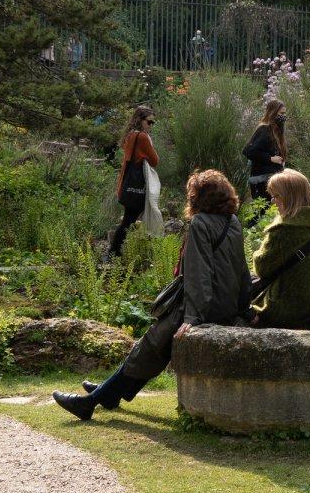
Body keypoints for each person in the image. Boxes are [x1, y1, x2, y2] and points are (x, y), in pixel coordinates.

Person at [53, 169, 247, 421]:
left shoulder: (200, 223)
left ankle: (91, 402)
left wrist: (193, 318)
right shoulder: (233, 222)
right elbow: (242, 269)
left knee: (149, 346)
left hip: (202, 307)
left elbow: (198, 273)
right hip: (224, 305)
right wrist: (243, 308)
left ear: (198, 197)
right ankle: (109, 393)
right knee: (152, 348)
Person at [248, 170, 310, 329]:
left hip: (292, 307)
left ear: (290, 197)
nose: (273, 201)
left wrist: (256, 254)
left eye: (276, 196)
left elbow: (261, 268)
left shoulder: (284, 229)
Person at [109, 105, 159, 258]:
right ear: (140, 120)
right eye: (149, 122)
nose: (151, 125)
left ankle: (116, 252)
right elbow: (155, 160)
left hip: (127, 184)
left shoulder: (130, 135)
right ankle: (113, 253)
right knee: (128, 221)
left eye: (153, 123)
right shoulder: (142, 137)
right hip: (137, 187)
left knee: (128, 219)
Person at [242, 99, 288, 203]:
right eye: (281, 113)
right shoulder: (264, 129)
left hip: (273, 180)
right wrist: (270, 158)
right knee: (263, 210)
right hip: (262, 183)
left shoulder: (277, 131)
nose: (283, 116)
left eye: (284, 113)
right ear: (273, 113)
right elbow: (249, 151)